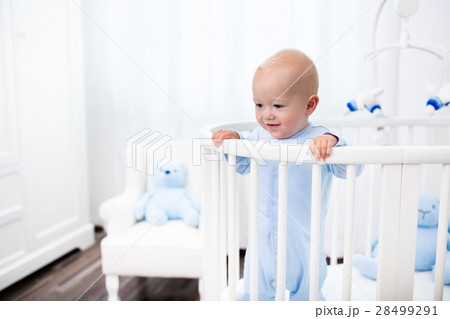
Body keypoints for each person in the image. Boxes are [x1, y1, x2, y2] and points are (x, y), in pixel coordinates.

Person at [211, 49, 363, 300]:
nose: (266, 114)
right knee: (255, 288)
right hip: (261, 236)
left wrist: (334, 144)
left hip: (302, 238)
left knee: (308, 289)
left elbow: (351, 168)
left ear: (310, 105)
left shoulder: (319, 139)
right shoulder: (260, 137)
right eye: (259, 104)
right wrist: (234, 141)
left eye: (278, 105)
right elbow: (242, 164)